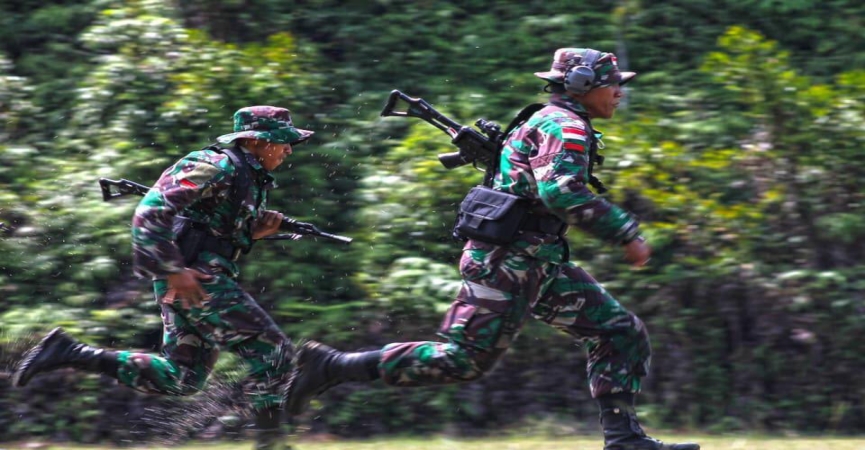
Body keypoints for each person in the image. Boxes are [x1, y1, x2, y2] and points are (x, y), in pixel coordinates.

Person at [285, 48, 700, 450]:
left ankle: (624, 440)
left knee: (619, 331)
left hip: (538, 262)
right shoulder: (564, 126)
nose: (619, 92)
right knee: (464, 360)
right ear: (580, 84)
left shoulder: (550, 120)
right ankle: (331, 366)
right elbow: (562, 192)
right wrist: (625, 232)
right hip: (508, 263)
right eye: (612, 84)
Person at [12, 106, 314, 450]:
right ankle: (272, 445)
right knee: (273, 354)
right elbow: (150, 212)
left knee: (181, 378)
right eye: (283, 142)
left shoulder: (248, 174)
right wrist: (172, 270)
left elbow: (210, 229)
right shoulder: (216, 164)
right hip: (197, 279)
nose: (289, 149)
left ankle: (70, 352)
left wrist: (252, 231)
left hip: (199, 275)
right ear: (257, 141)